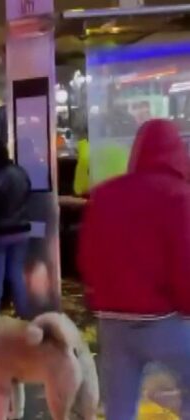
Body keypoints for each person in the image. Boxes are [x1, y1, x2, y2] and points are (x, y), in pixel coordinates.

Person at [78, 119, 190, 420]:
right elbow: (184, 262)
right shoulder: (179, 195)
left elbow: (87, 256)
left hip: (113, 321)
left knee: (120, 404)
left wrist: (99, 297)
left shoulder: (104, 194)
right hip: (163, 321)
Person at [0, 139, 32, 318]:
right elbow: (27, 194)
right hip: (21, 229)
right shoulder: (20, 172)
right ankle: (23, 315)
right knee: (16, 274)